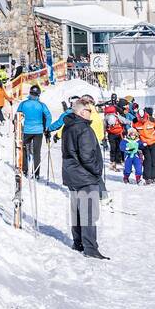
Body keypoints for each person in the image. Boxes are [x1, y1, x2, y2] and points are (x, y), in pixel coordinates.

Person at [61, 96, 108, 259]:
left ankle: (78, 242)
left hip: (72, 174)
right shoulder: (83, 128)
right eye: (89, 110)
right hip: (85, 175)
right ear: (81, 112)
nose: (91, 113)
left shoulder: (68, 126)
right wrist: (97, 170)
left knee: (77, 211)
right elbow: (87, 156)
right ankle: (90, 248)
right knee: (89, 213)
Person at [15, 86, 52, 180]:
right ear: (38, 95)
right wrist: (46, 127)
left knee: (24, 150)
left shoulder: (23, 104)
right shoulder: (41, 105)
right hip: (38, 131)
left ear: (30, 93)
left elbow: (17, 116)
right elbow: (48, 116)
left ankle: (24, 170)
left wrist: (16, 125)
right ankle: (36, 173)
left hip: (26, 130)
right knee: (36, 152)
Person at [134, 107, 155, 184]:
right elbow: (134, 133)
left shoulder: (151, 120)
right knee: (147, 160)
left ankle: (152, 177)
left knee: (153, 160)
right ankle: (147, 178)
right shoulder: (135, 122)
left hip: (153, 142)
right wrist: (137, 143)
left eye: (143, 118)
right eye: (140, 118)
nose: (142, 120)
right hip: (144, 144)